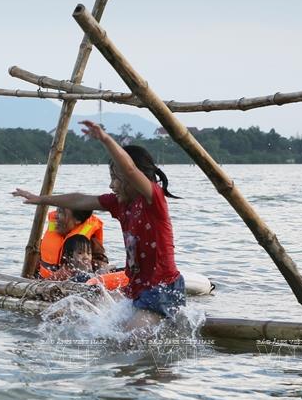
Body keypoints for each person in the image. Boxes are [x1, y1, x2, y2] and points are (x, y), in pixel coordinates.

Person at [13, 121, 183, 330]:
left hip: (162, 290)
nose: (112, 185)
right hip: (138, 289)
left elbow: (129, 168)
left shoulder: (152, 200)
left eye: (116, 178)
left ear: (134, 179)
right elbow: (80, 200)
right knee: (89, 327)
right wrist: (40, 199)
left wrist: (105, 139)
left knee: (126, 342)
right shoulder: (120, 204)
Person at [34, 206, 108, 279]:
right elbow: (39, 258)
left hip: (72, 284)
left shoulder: (88, 241)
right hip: (44, 281)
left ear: (77, 221)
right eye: (58, 211)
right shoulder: (51, 235)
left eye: (61, 213)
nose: (56, 216)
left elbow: (102, 267)